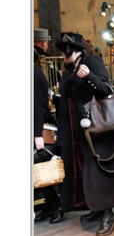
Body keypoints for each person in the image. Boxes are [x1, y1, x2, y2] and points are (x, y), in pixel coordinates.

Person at [55, 32, 114, 236]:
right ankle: (98, 208)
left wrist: (89, 76)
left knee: (102, 171)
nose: (62, 53)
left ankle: (109, 213)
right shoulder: (70, 70)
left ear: (71, 49)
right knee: (90, 172)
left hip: (100, 128)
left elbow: (105, 89)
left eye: (64, 49)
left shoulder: (91, 61)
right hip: (83, 130)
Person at [33, 49, 62, 223]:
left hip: (40, 128)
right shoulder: (35, 71)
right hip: (39, 126)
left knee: (44, 169)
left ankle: (56, 206)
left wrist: (37, 135)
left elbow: (35, 105)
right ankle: (50, 206)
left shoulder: (33, 73)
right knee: (40, 170)